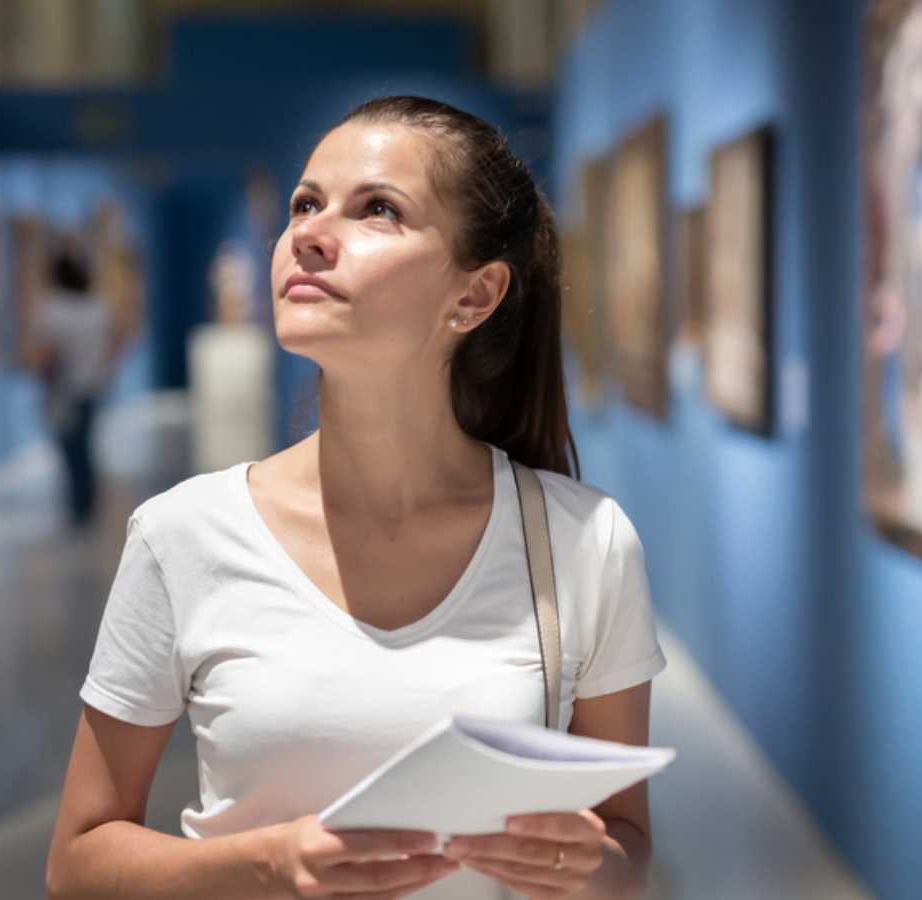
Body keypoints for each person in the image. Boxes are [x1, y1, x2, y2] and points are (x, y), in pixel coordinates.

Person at [45, 96, 668, 900]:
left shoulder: (585, 542)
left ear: (474, 297)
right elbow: (76, 863)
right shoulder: (183, 536)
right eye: (305, 203)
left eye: (378, 209)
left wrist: (586, 868)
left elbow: (628, 848)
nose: (308, 233)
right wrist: (268, 863)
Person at [28, 247, 117, 528]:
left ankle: (80, 508)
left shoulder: (54, 310)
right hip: (92, 385)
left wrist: (42, 375)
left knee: (72, 449)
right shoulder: (98, 309)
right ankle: (85, 506)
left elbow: (48, 354)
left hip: (66, 390)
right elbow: (113, 345)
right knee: (84, 447)